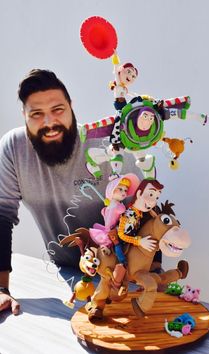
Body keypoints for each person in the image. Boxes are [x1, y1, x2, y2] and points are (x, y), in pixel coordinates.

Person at [0, 69, 142, 315]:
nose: (50, 122)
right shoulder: (14, 148)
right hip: (67, 274)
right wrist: (1, 289)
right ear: (24, 116)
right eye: (36, 114)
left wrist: (144, 280)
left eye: (58, 110)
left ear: (71, 107)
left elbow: (144, 211)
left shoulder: (108, 146)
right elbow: (1, 216)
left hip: (125, 275)